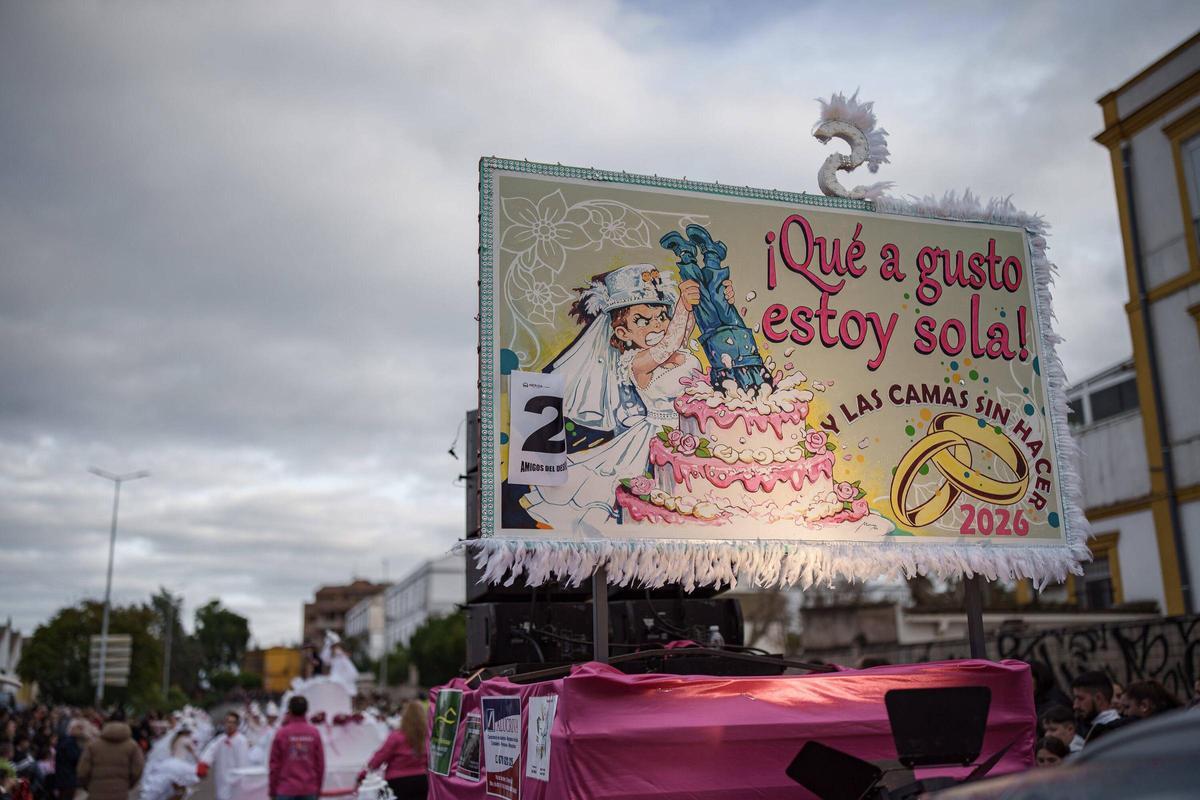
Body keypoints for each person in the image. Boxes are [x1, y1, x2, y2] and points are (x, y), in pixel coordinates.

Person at [521, 264, 714, 532]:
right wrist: (682, 304)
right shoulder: (636, 361)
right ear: (623, 333)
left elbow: (679, 335)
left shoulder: (677, 347)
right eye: (643, 321)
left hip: (700, 431)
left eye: (662, 316)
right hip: (658, 436)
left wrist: (703, 300)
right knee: (657, 500)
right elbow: (668, 344)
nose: (657, 324)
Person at [358, 701, 427, 800]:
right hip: (421, 779)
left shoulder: (396, 736)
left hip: (398, 781)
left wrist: (363, 775)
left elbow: (380, 757)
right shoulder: (427, 738)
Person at [78, 710, 145, 800]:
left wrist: (88, 786)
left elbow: (82, 771)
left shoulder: (93, 745)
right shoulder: (132, 746)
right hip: (120, 792)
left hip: (96, 792)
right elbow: (137, 770)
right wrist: (128, 784)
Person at [268, 697, 324, 800]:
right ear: (306, 710)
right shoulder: (314, 733)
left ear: (289, 710)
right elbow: (320, 765)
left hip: (286, 790)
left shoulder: (281, 733)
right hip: (308, 789)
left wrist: (272, 790)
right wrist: (318, 789)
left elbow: (274, 766)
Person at [199, 713, 249, 800]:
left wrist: (241, 780)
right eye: (228, 722)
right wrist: (204, 764)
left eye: (232, 722)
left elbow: (243, 763)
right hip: (222, 778)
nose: (229, 725)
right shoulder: (220, 739)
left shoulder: (241, 741)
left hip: (236, 782)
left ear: (237, 725)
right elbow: (210, 750)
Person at [1070, 671, 1129, 744]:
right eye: (1075, 699)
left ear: (1098, 698)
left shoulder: (1116, 733)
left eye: (1080, 699)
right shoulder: (1084, 730)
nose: (1075, 706)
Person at [53, 720, 87, 800]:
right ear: (72, 729)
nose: (81, 731)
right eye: (79, 728)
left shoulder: (70, 741)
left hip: (66, 777)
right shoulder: (68, 742)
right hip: (66, 778)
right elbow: (75, 757)